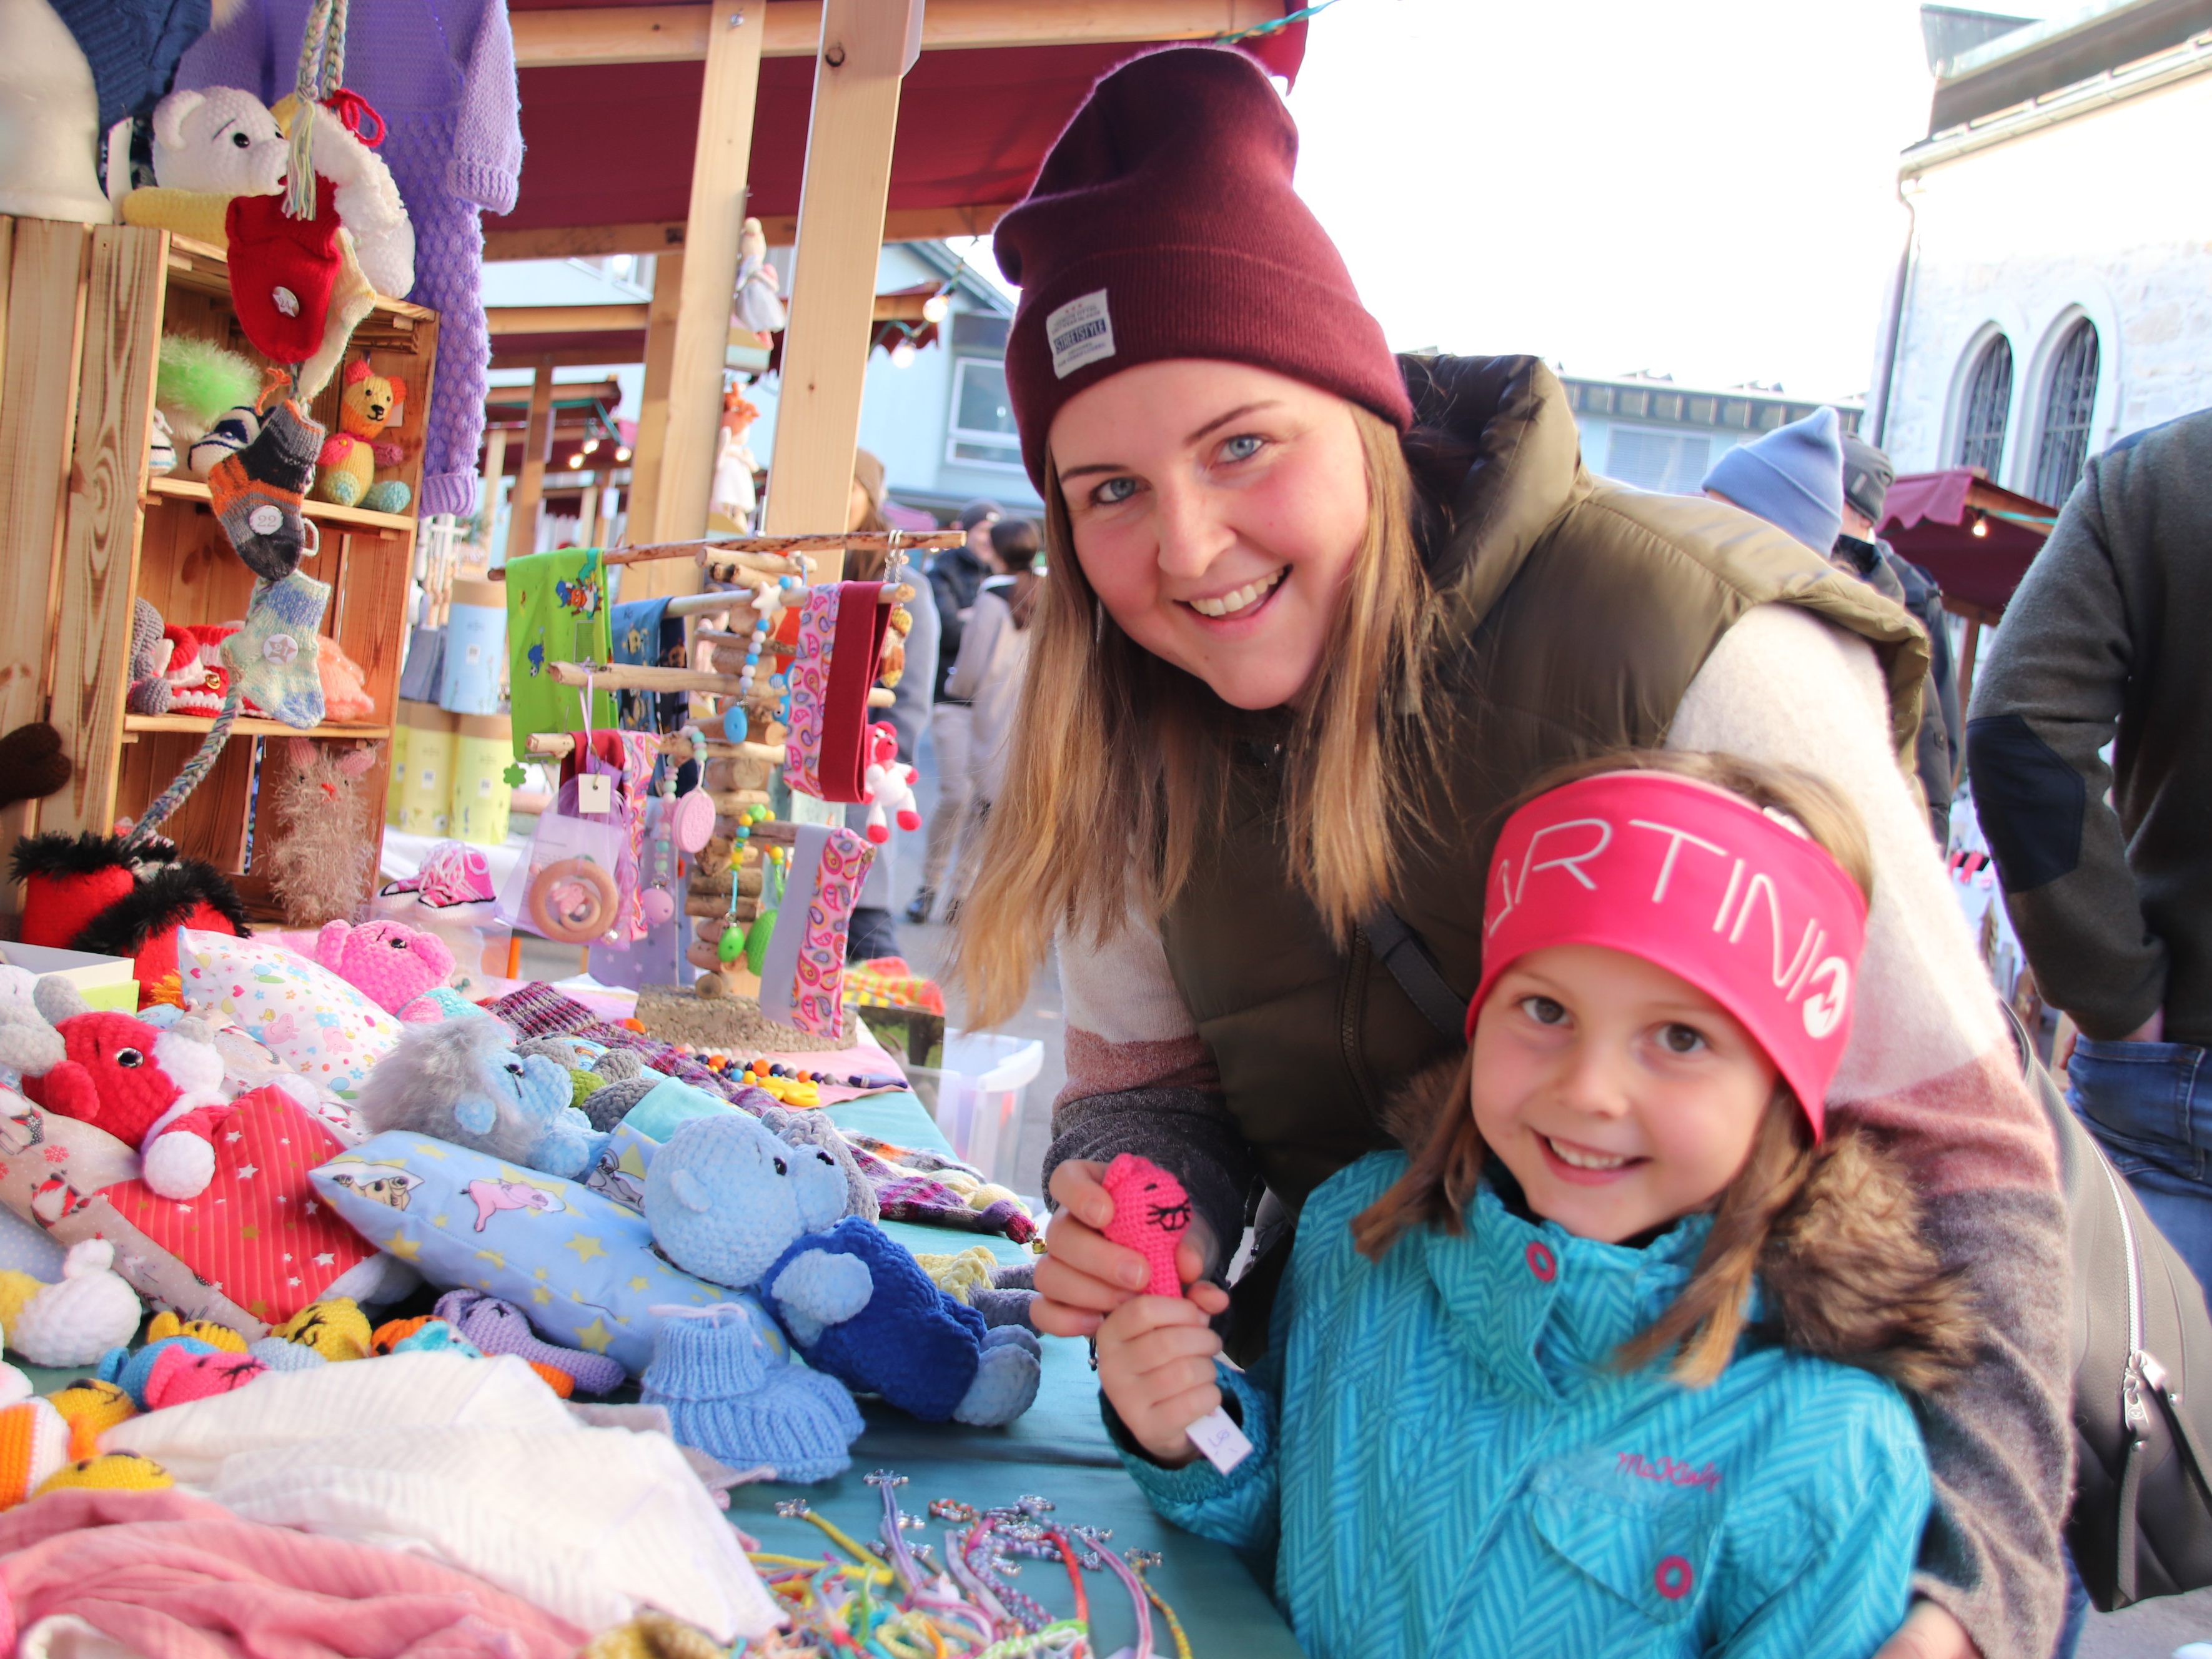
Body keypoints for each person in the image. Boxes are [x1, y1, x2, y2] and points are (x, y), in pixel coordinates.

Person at [951, 45, 2068, 1659]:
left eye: (1241, 446)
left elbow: (1968, 1176)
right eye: (1107, 489)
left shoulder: (1694, 649)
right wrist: (1145, 1231)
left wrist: (1968, 1609)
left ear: (1358, 410)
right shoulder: (1123, 729)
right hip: (1373, 1490)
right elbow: (1154, 1102)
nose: (1183, 549)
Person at [1099, 752, 1978, 1657]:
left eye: (1679, 1037)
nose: (1590, 1089)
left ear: (1781, 1096)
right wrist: (1193, 1431)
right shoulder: (1361, 1234)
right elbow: (1277, 1514)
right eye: (1546, 1010)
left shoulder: (1825, 1447)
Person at [1967, 409, 2212, 1297]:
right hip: (2174, 1083)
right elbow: (2023, 735)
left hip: (2173, 1077)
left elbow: (2017, 731)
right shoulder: (2158, 482)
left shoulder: (2163, 476)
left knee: (2126, 1420)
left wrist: (2116, 997)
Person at [1701, 411, 1957, 842]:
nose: (1704, 529)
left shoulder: (1883, 615)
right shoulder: (1738, 598)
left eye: (1725, 515)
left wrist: (1925, 846)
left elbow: (1929, 740)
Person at [840, 450, 939, 963]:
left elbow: (911, 697)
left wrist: (882, 763)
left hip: (861, 774)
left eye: (847, 487)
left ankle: (887, 1033)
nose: (834, 500)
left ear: (870, 496)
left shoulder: (905, 588)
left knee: (865, 928)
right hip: (776, 768)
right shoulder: (790, 573)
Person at [1840, 433, 1962, 843]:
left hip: (1873, 815)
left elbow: (1936, 731)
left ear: (1860, 513)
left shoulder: (1909, 593)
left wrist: (1927, 843)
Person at [934, 519, 1044, 911]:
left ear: (998, 551)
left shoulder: (992, 595)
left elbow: (970, 667)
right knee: (986, 809)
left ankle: (931, 888)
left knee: (959, 799)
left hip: (979, 712)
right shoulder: (1045, 595)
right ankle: (961, 895)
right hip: (1018, 721)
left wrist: (954, 689)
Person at [908, 500, 1004, 924]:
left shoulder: (1004, 575)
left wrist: (977, 620)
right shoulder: (943, 569)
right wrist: (987, 622)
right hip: (952, 700)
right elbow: (946, 627)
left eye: (994, 533)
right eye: (983, 530)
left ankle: (960, 893)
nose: (988, 540)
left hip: (996, 704)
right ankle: (928, 886)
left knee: (986, 802)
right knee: (956, 794)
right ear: (965, 531)